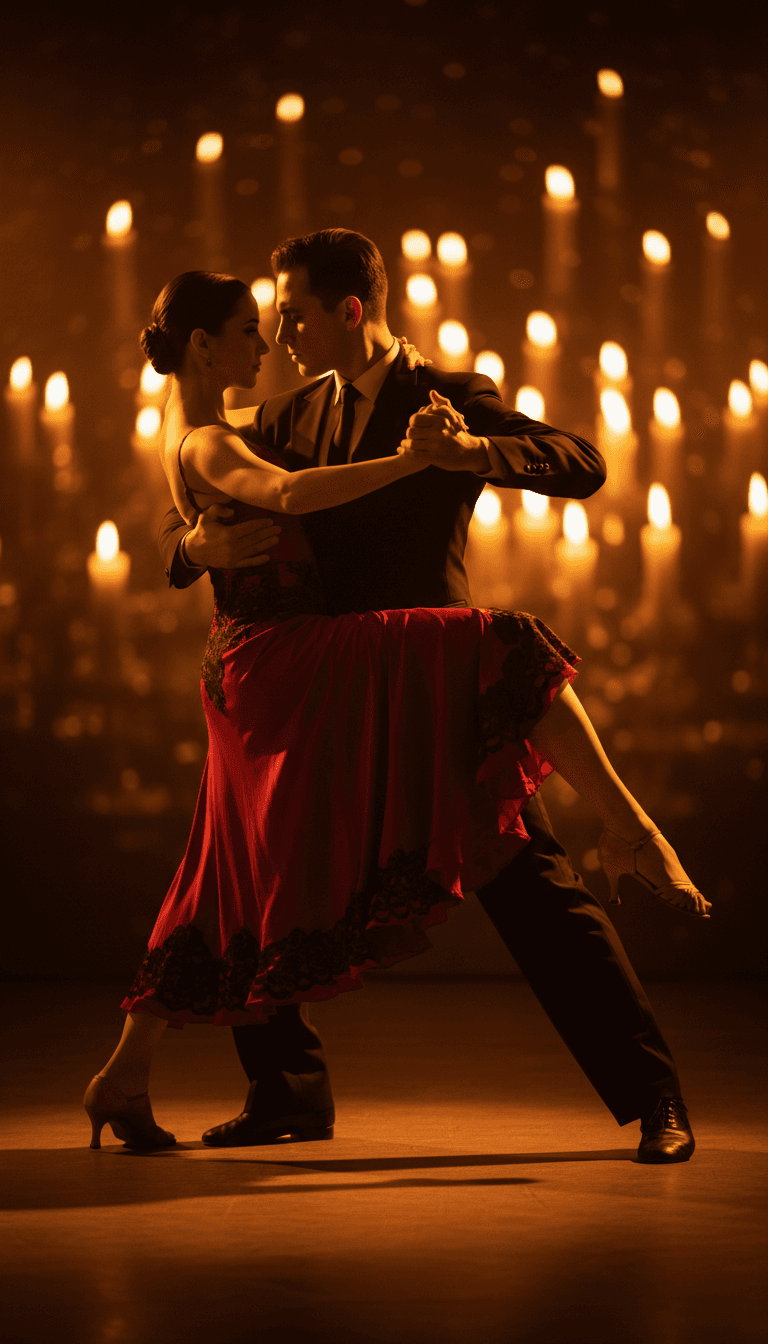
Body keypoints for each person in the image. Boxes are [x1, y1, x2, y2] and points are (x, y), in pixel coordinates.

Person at [86, 244, 709, 1166]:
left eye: (290, 313)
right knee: (267, 870)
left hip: (430, 691)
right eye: (263, 322)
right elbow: (205, 490)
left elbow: (581, 463)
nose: (277, 334)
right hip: (322, 688)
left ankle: (656, 1099)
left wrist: (469, 451)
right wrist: (191, 553)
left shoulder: (448, 390)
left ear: (349, 310)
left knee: (538, 892)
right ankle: (286, 1096)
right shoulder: (287, 415)